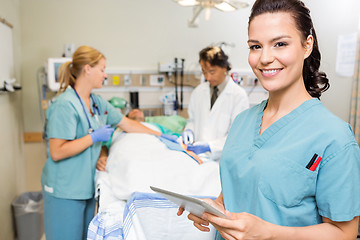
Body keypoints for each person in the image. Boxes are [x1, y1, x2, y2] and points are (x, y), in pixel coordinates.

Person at [178, 0, 360, 239]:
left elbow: (344, 233)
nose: (264, 58)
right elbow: (239, 190)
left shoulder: (334, 137)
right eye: (255, 46)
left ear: (307, 46)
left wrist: (269, 233)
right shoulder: (243, 122)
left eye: (280, 44)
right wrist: (214, 209)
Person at [41, 45, 173, 240]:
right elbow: (57, 151)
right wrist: (93, 138)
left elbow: (126, 123)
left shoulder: (96, 102)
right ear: (87, 69)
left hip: (84, 188)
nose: (105, 75)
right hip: (64, 191)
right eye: (102, 69)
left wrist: (160, 135)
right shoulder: (65, 104)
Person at [183, 46, 249, 160]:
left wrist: (210, 147)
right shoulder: (198, 92)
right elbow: (192, 120)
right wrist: (189, 130)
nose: (208, 77)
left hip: (222, 160)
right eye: (204, 72)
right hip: (197, 158)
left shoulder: (238, 96)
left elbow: (237, 137)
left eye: (212, 72)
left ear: (224, 67)